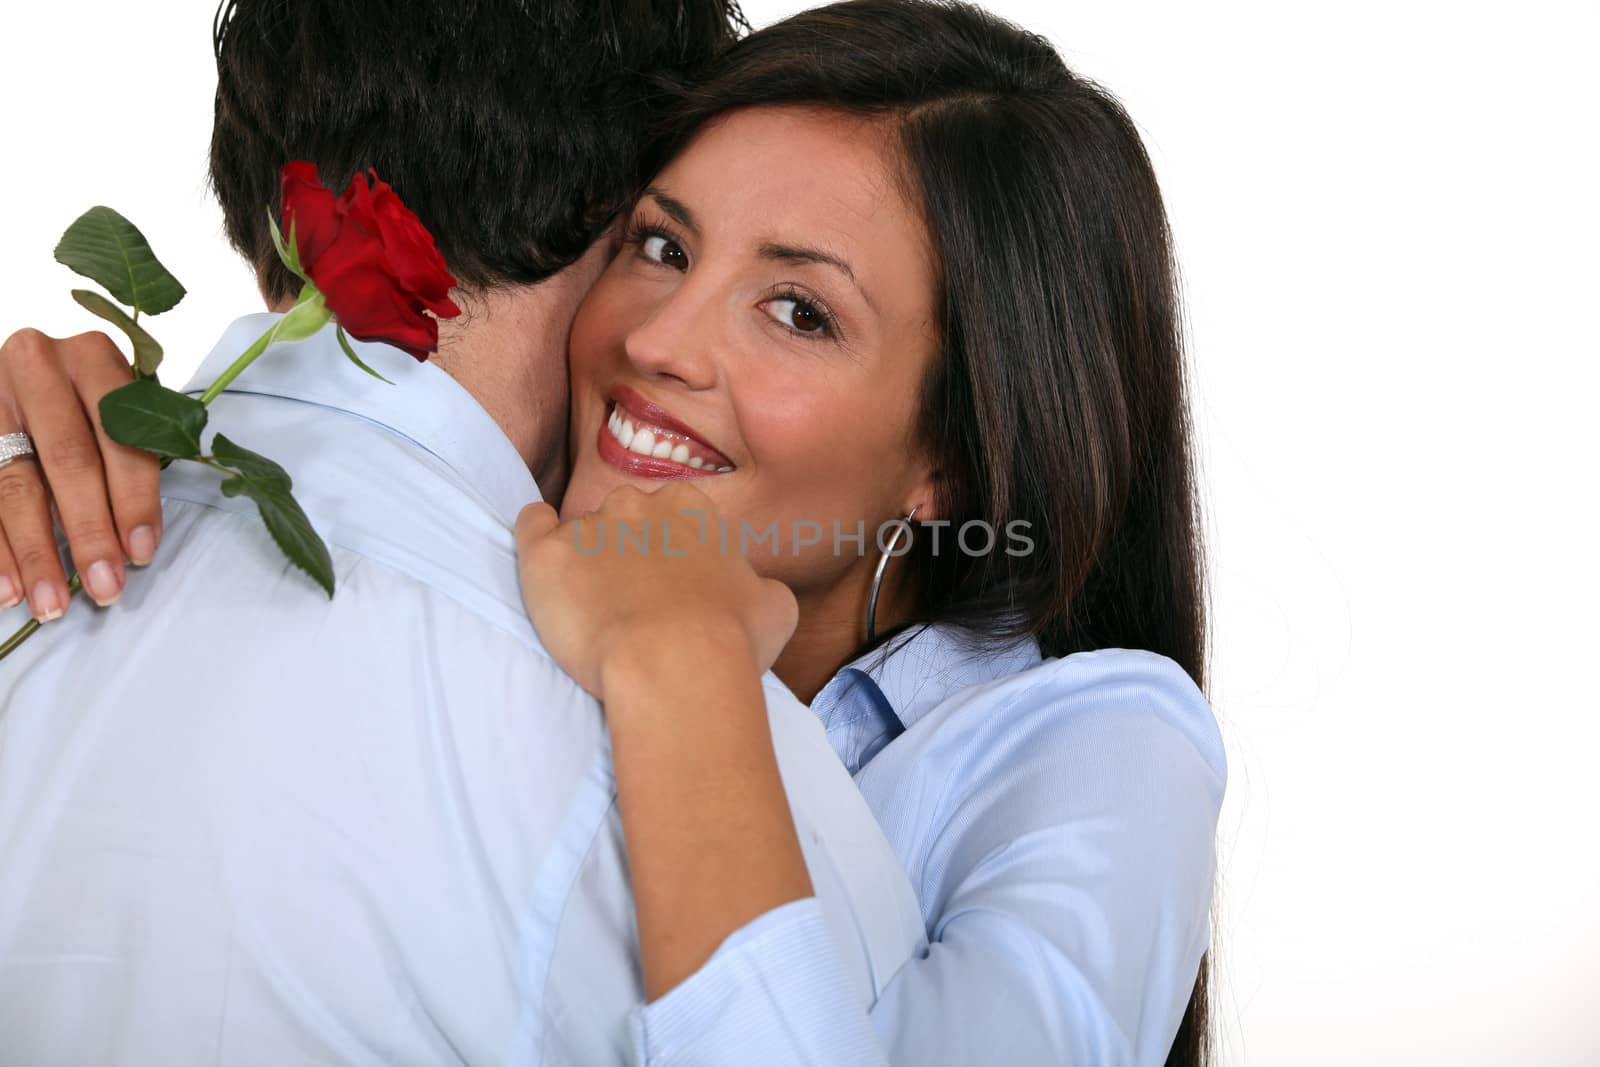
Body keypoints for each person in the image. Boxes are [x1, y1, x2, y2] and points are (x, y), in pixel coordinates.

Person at [2, 1, 1227, 1064]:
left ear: (950, 460)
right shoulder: (489, 605)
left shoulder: (1099, 743)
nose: (657, 341)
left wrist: (682, 676)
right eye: (659, 246)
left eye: (798, 310)